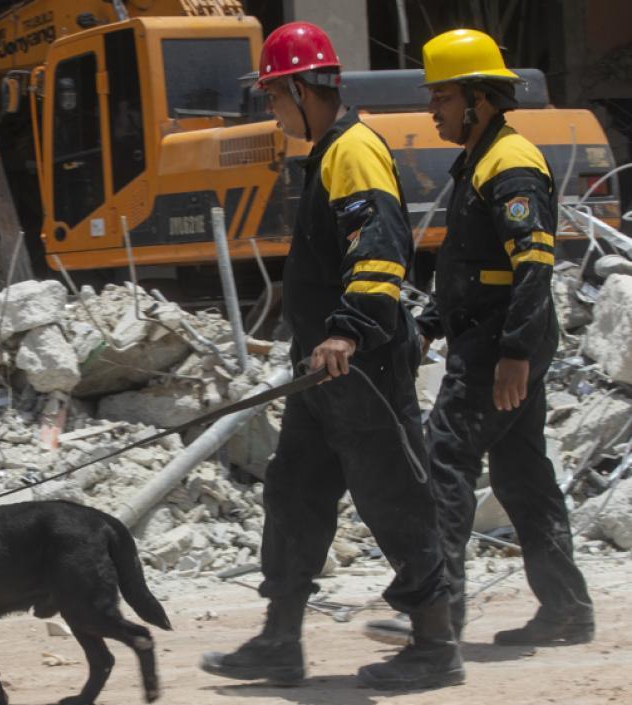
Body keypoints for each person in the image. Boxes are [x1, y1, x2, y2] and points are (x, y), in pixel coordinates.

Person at [199, 22, 463, 691]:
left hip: (361, 365)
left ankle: (434, 644)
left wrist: (347, 331)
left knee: (394, 497)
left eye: (272, 97)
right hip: (323, 368)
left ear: (296, 87)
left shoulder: (353, 150)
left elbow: (378, 248)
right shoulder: (328, 152)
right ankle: (280, 639)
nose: (270, 110)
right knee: (295, 494)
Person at [365, 28, 594, 648]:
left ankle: (436, 616)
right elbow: (475, 269)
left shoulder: (510, 163)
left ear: (478, 99)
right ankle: (567, 611)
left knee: (445, 459)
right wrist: (432, 324)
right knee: (522, 475)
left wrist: (515, 352)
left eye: (440, 97)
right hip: (492, 335)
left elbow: (534, 267)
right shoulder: (483, 158)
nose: (431, 110)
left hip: (500, 345)